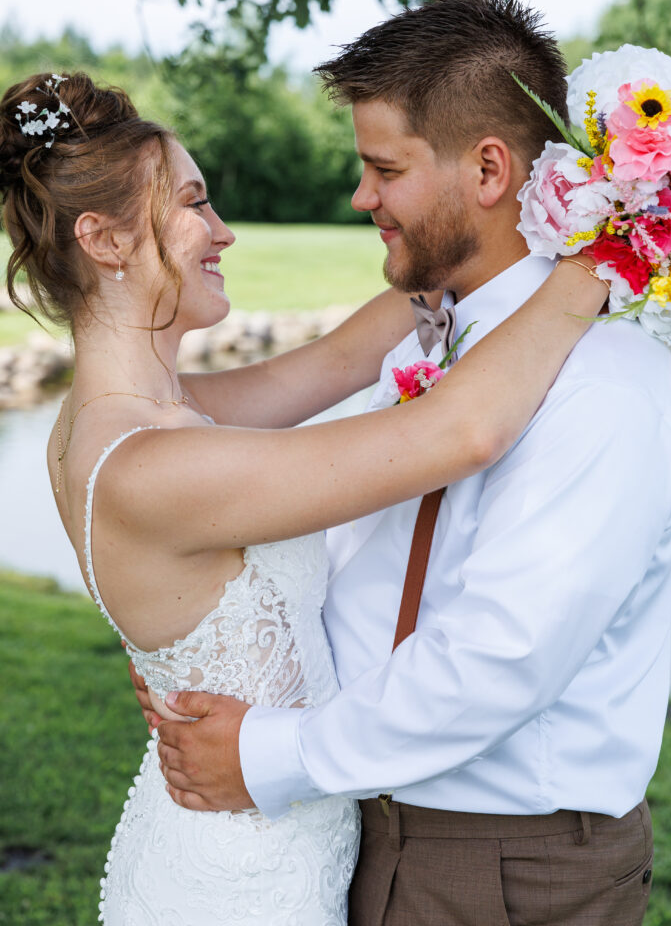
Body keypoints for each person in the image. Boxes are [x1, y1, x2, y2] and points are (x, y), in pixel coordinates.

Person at [0, 57, 606, 925]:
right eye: (191, 202)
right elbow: (455, 434)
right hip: (235, 882)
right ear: (104, 240)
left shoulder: (142, 417)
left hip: (266, 838)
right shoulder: (148, 464)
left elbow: (335, 362)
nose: (223, 230)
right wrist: (609, 254)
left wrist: (496, 237)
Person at [140, 0, 671, 926]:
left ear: (486, 169)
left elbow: (500, 656)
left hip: (506, 864)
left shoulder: (606, 382)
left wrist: (273, 754)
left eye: (382, 169)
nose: (361, 199)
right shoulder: (426, 342)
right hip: (369, 822)